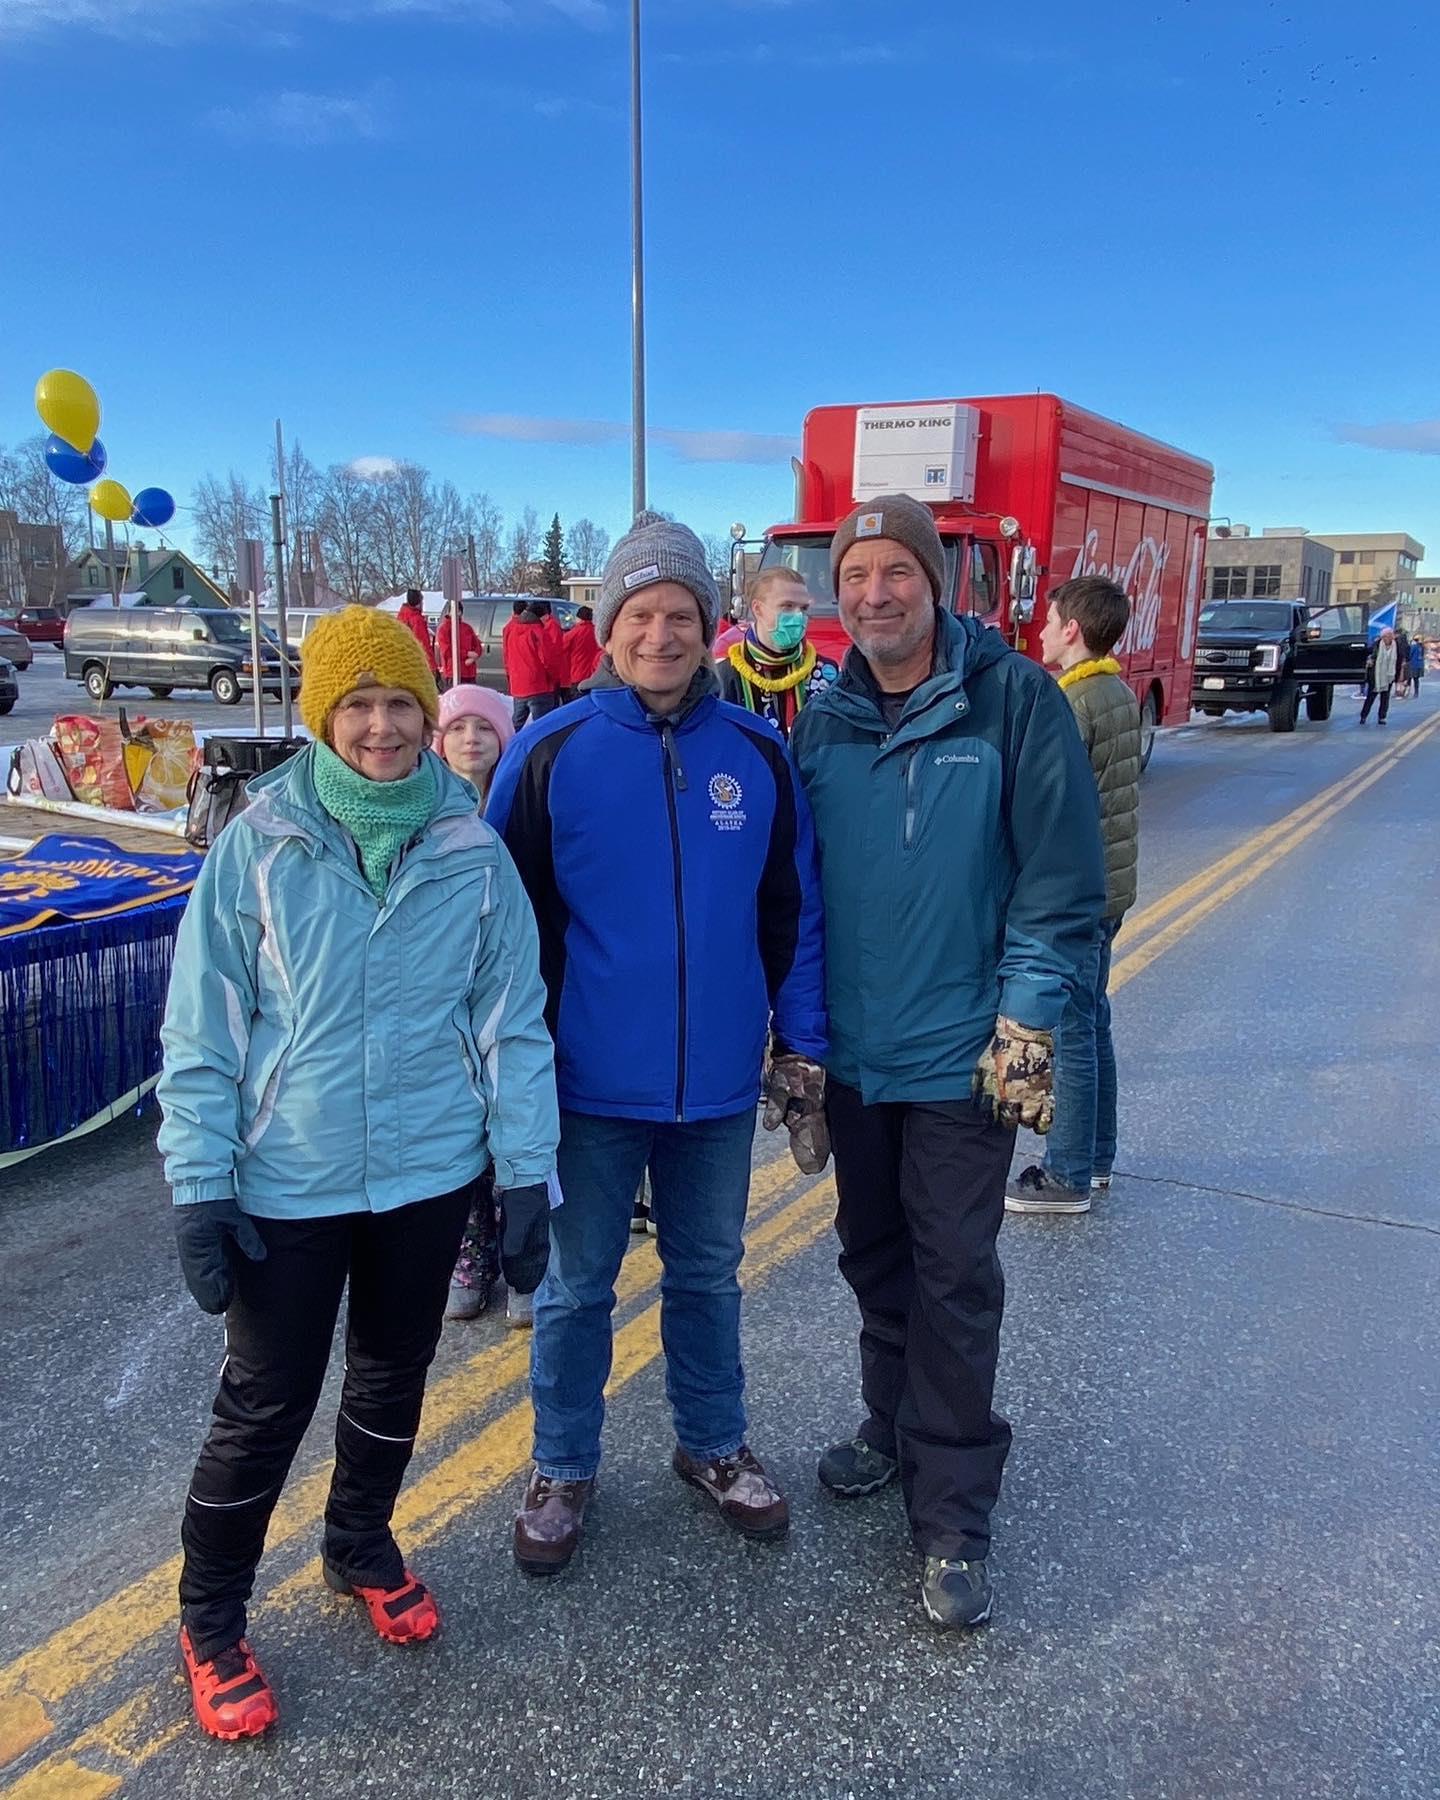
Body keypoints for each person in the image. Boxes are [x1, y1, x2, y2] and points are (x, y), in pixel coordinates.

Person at [157, 606, 558, 1741]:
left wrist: (525, 1173)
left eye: (401, 706)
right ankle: (211, 1617)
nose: (382, 728)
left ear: (430, 717)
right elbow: (203, 1029)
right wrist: (200, 1183)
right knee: (265, 1401)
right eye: (358, 706)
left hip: (429, 1173)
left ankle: (359, 1541)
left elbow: (511, 1023)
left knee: (392, 1376)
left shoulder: (473, 852)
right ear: (322, 718)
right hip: (288, 1176)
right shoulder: (260, 846)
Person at [486, 510, 828, 1578]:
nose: (661, 634)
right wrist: (507, 1069)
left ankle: (713, 1443)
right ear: (609, 628)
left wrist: (801, 1045)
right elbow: (501, 930)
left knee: (709, 1274)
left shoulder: (758, 754)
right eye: (640, 614)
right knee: (577, 1285)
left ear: (708, 624)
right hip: (587, 1081)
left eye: (681, 614)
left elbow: (794, 913)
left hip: (718, 1082)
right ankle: (562, 1464)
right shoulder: (549, 753)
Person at [788, 494, 1104, 1632]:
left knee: (955, 1274)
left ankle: (956, 1511)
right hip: (856, 1060)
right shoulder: (822, 718)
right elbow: (797, 891)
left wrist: (1026, 1024)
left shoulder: (1014, 700)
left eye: (896, 572)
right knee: (873, 1256)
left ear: (937, 583)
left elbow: (1061, 885)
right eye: (855, 575)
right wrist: (796, 1039)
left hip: (967, 1058)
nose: (874, 594)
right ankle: (892, 1423)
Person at [1007, 577, 1140, 1216]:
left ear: (1073, 631)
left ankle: (1066, 1173)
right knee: (1094, 1018)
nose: (1040, 630)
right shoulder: (1117, 692)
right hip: (1113, 885)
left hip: (1080, 894)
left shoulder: (1072, 702)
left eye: (1050, 619)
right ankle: (1098, 1155)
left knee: (1071, 1031)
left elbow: (1049, 802)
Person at [432, 684, 536, 1331]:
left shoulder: (522, 799)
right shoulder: (423, 806)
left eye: (484, 727)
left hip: (511, 978)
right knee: (460, 1126)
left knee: (513, 1118)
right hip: (446, 986)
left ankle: (523, 1252)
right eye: (457, 727)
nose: (471, 738)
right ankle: (470, 1254)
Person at [716, 566, 839, 740]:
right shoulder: (725, 676)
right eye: (787, 606)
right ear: (758, 609)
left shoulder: (826, 671)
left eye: (804, 608)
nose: (798, 616)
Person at [507, 600, 564, 730]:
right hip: (539, 686)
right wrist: (555, 678)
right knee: (543, 727)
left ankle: (509, 742)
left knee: (515, 725)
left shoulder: (513, 630)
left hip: (519, 686)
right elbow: (548, 660)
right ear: (540, 616)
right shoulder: (538, 632)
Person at [434, 600, 483, 690]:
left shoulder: (467, 628)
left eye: (458, 611)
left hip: (469, 673)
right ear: (449, 612)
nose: (456, 614)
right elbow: (447, 651)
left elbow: (478, 646)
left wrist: (473, 658)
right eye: (453, 611)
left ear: (461, 612)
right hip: (453, 673)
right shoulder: (444, 629)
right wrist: (466, 654)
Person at [564, 603, 603, 697]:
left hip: (577, 674)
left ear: (578, 618)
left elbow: (561, 650)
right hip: (595, 674)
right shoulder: (597, 632)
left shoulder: (573, 633)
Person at [1360, 626, 1398, 723]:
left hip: (1388, 676)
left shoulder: (1396, 645)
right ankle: (1363, 716)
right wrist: (1369, 660)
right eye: (1386, 636)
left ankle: (1382, 717)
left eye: (1390, 635)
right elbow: (1368, 654)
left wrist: (1398, 674)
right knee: (1371, 697)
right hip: (1375, 675)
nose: (1389, 638)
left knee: (1385, 698)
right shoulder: (1376, 645)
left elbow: (1399, 660)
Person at [396, 588, 436, 674]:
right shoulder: (417, 620)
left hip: (403, 662)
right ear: (419, 603)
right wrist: (432, 667)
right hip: (417, 664)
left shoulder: (401, 616)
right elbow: (423, 644)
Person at [1394, 625, 1412, 698]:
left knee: (1399, 677)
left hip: (1399, 661)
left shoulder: (1398, 641)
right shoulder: (1406, 642)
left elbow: (1400, 651)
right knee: (1405, 677)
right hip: (1406, 661)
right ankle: (1404, 691)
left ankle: (1398, 691)